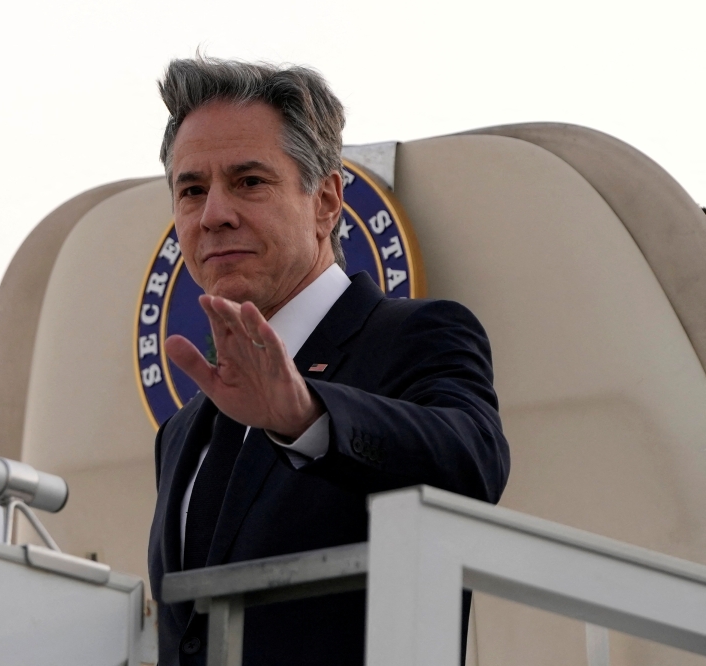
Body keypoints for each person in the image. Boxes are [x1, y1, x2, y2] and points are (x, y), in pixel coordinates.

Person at [147, 56, 510, 666]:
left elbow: (472, 462)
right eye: (192, 190)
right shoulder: (182, 432)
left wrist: (308, 416)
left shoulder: (414, 336)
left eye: (249, 181)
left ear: (326, 200)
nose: (214, 215)